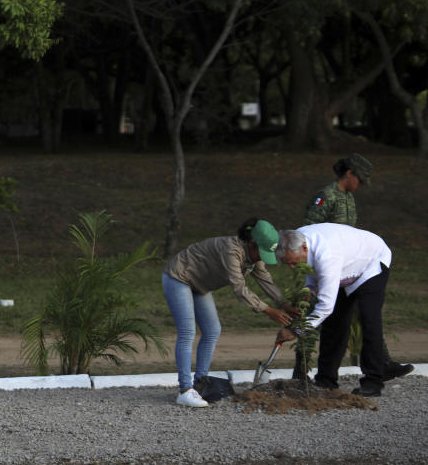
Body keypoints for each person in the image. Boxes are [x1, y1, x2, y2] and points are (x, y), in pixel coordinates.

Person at [162, 218, 297, 407]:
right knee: (188, 331)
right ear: (251, 243)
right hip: (179, 277)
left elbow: (265, 278)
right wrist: (268, 310)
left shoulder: (253, 255)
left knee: (213, 330)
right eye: (262, 252)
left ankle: (200, 384)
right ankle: (185, 390)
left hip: (199, 285)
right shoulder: (231, 250)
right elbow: (240, 288)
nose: (262, 258)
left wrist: (284, 303)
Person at [302, 153, 411, 380]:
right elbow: (310, 233)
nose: (360, 185)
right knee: (324, 320)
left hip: (348, 265)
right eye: (359, 179)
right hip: (327, 265)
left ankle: (382, 363)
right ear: (349, 173)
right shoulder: (326, 196)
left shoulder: (348, 198)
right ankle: (302, 370)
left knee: (367, 315)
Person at [275, 224, 393, 397]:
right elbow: (311, 268)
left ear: (304, 248)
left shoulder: (327, 256)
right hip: (344, 264)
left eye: (293, 262)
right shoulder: (298, 237)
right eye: (288, 263)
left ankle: (373, 381)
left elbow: (325, 307)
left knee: (369, 319)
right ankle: (326, 380)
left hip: (372, 261)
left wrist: (295, 330)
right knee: (335, 323)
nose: (292, 267)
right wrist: (309, 289)